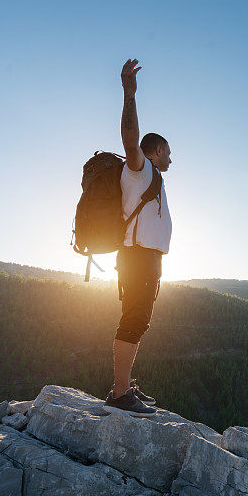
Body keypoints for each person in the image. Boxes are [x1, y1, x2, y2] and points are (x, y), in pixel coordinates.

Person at [102, 59, 172, 417]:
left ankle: (125, 385)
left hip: (145, 259)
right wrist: (129, 93)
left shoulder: (152, 179)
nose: (171, 160)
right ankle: (118, 394)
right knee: (133, 319)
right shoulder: (139, 169)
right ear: (156, 150)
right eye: (168, 153)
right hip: (138, 258)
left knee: (138, 319)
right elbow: (131, 139)